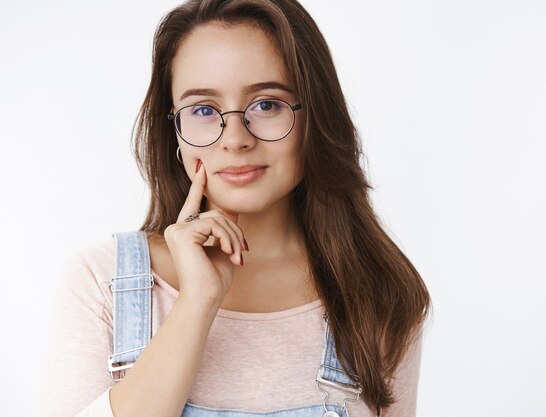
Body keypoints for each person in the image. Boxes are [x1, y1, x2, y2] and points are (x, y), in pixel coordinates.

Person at [37, 1, 431, 416]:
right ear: (173, 128)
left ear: (316, 115)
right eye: (204, 110)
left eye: (267, 104)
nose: (235, 139)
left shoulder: (380, 296)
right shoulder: (102, 282)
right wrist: (197, 302)